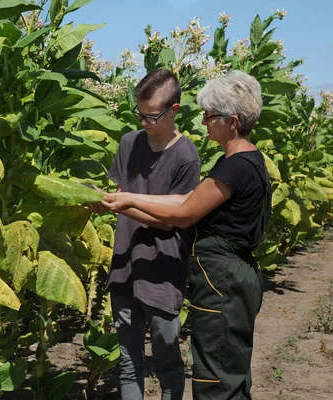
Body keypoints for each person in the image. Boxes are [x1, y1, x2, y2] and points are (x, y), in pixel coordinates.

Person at [101, 70, 271, 400]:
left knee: (215, 381)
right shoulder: (243, 161)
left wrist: (125, 200)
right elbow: (185, 201)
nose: (205, 122)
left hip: (222, 279)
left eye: (210, 116)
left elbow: (182, 213)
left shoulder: (234, 167)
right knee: (223, 375)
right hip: (228, 277)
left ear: (231, 121)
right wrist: (124, 198)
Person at [92, 68, 201, 400]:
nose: (144, 123)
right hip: (125, 264)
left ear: (175, 110)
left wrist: (122, 204)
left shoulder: (187, 156)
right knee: (127, 362)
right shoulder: (129, 143)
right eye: (140, 114)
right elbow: (121, 191)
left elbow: (171, 220)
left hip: (163, 269)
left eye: (152, 116)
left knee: (168, 362)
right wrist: (99, 199)